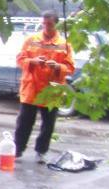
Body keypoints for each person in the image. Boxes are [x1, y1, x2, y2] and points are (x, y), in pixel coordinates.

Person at [14, 10, 75, 163]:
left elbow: (70, 67)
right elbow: (20, 60)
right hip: (32, 87)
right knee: (24, 121)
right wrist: (33, 61)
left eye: (50, 24)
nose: (46, 27)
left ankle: (41, 151)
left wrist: (58, 66)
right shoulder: (31, 40)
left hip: (52, 88)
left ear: (56, 24)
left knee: (48, 124)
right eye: (44, 24)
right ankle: (18, 149)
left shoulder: (64, 44)